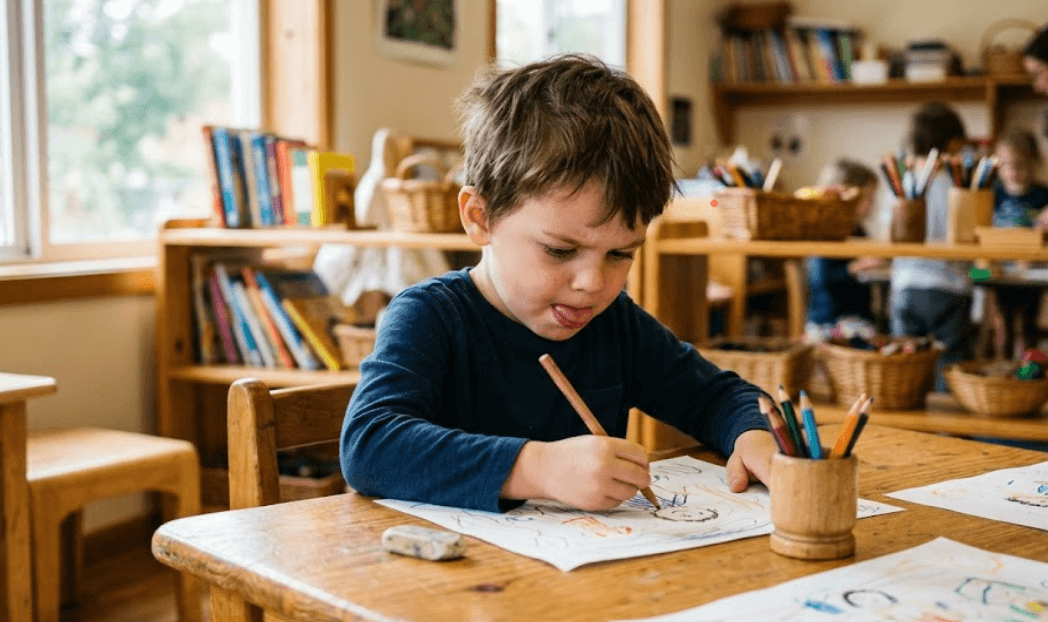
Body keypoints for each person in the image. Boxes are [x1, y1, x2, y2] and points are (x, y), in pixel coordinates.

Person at [339, 54, 777, 513]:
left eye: (621, 254)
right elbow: (369, 446)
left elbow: (717, 395)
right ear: (479, 217)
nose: (591, 283)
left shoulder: (615, 325)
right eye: (560, 251)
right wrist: (538, 468)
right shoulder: (430, 318)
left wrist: (752, 435)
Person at [890, 102, 972, 391]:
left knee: (905, 366)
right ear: (952, 143)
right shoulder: (956, 185)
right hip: (949, 286)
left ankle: (909, 428)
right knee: (949, 367)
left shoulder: (903, 183)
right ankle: (948, 428)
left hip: (906, 285)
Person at [804, 159, 884, 341]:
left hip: (856, 315)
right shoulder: (825, 231)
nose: (872, 205)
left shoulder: (858, 230)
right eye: (867, 198)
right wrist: (858, 267)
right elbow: (821, 278)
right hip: (829, 319)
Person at [986, 130, 1048, 358]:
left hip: (1033, 274)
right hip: (1000, 272)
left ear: (1033, 163)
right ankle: (1003, 367)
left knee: (1028, 326)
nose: (1012, 172)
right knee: (1003, 324)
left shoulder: (1043, 195)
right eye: (1005, 166)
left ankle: (1028, 368)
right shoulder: (994, 194)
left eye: (1019, 165)